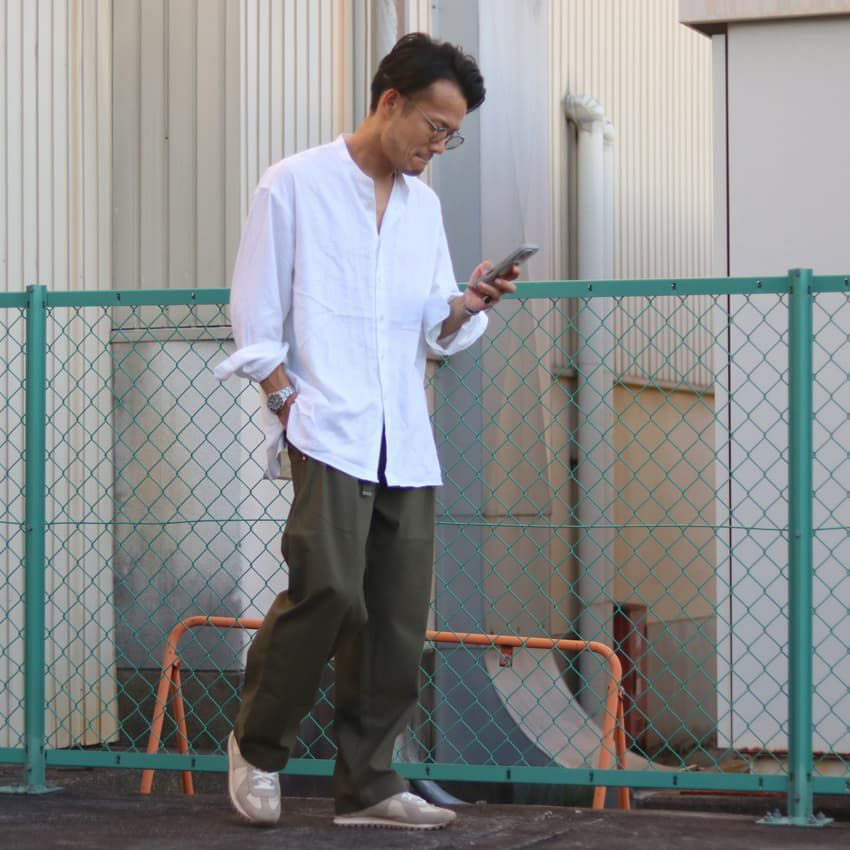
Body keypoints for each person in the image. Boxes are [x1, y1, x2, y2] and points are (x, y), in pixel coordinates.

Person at [213, 32, 518, 831]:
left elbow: (433, 331)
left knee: (396, 618)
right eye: (434, 127)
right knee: (328, 590)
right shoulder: (294, 183)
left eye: (452, 136)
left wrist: (467, 304)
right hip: (326, 426)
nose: (438, 147)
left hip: (403, 436)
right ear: (390, 101)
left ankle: (370, 786)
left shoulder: (424, 208)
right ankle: (257, 746)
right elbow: (254, 307)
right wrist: (284, 398)